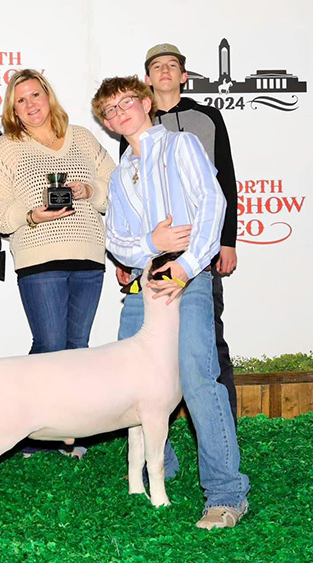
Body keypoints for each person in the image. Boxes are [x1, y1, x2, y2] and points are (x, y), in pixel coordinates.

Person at [92, 75, 249, 529]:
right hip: (144, 285)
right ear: (107, 123)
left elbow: (211, 205)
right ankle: (162, 466)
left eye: (126, 102)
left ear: (146, 103)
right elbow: (117, 240)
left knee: (198, 377)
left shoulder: (182, 145)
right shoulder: (120, 174)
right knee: (130, 381)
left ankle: (226, 493)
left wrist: (185, 265)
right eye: (109, 111)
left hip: (189, 277)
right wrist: (152, 244)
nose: (119, 113)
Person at [116, 44, 239, 420]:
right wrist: (129, 256)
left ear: (184, 76)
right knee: (152, 351)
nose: (165, 71)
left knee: (208, 342)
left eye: (172, 65)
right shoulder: (133, 123)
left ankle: (226, 424)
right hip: (152, 259)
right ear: (147, 80)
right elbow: (129, 194)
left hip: (199, 251)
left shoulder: (208, 117)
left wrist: (227, 241)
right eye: (157, 66)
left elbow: (224, 182)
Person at [0, 69, 114, 353]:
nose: (30, 104)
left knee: (78, 348)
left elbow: (117, 190)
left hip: (89, 257)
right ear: (13, 110)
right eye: (21, 100)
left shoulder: (82, 138)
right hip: (39, 260)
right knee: (50, 347)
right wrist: (31, 216)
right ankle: (30, 387)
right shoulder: (5, 147)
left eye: (35, 95)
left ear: (48, 97)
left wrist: (90, 190)